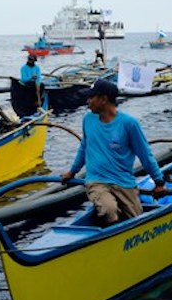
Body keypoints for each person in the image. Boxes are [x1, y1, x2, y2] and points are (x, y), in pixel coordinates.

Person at [61, 79, 166, 226]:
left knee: (136, 219)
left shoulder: (129, 124)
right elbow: (84, 147)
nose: (88, 101)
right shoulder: (88, 120)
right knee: (109, 210)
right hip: (97, 181)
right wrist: (72, 172)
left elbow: (145, 155)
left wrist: (159, 181)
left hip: (123, 182)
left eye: (91, 97)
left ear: (103, 100)